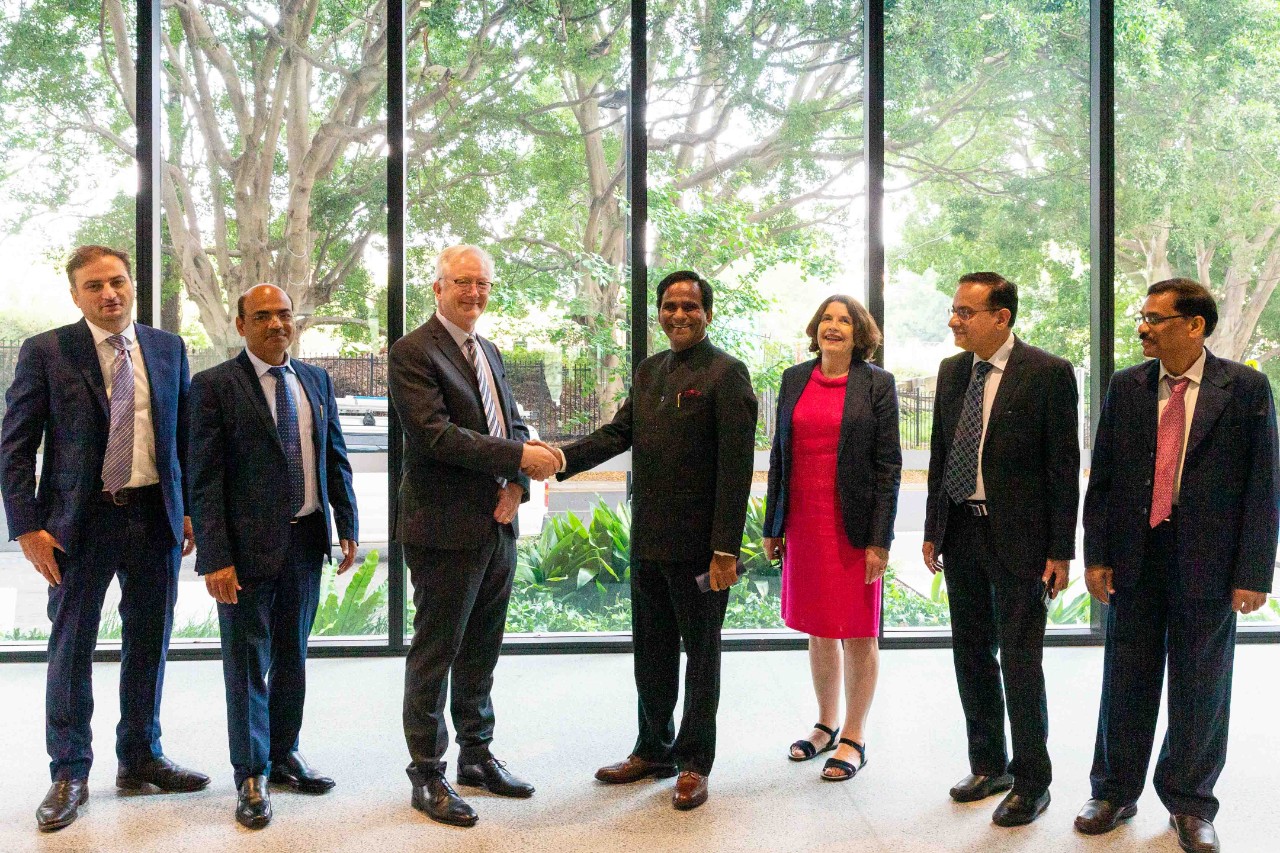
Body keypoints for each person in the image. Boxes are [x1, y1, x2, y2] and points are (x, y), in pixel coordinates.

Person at [0, 245, 208, 832]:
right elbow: (14, 445)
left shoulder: (167, 349)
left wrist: (188, 509)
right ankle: (69, 770)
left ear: (132, 285)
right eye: (94, 286)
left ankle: (140, 758)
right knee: (72, 648)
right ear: (76, 295)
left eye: (117, 282)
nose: (109, 294)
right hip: (77, 524)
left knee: (150, 641)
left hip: (153, 517)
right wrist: (27, 526)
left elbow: (183, 437)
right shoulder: (46, 351)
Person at [1075, 279, 1278, 853]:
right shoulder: (1127, 385)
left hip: (1210, 565)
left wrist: (1253, 572)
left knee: (1201, 686)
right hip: (1136, 559)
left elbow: (1264, 486)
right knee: (1126, 680)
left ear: (1195, 325)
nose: (1144, 327)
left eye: (1157, 318)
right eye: (1143, 317)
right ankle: (1113, 791)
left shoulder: (1245, 389)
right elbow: (1106, 480)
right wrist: (1098, 555)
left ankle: (1191, 803)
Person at [549, 270, 757, 811]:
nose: (679, 314)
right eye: (670, 306)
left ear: (707, 313)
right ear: (659, 313)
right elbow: (620, 434)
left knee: (702, 656)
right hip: (648, 541)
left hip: (701, 549)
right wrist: (561, 459)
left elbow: (736, 470)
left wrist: (725, 550)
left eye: (690, 306)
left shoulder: (728, 374)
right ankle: (653, 749)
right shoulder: (648, 372)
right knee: (652, 652)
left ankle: (693, 763)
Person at [389, 244, 559, 827]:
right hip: (442, 528)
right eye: (462, 282)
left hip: (497, 524)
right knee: (436, 651)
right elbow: (437, 435)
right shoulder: (412, 352)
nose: (474, 293)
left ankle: (477, 756)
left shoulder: (489, 350)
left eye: (482, 283)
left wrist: (517, 481)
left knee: (483, 650)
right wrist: (522, 455)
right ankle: (427, 773)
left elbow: (507, 421)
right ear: (437, 288)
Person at [187, 284, 359, 829]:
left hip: (307, 541)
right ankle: (252, 773)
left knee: (293, 657)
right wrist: (215, 556)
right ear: (241, 325)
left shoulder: (315, 380)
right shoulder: (213, 386)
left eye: (284, 314)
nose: (276, 324)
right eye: (262, 316)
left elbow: (335, 456)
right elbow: (205, 479)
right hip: (243, 553)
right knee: (246, 665)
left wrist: (347, 523)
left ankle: (284, 754)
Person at [922, 271, 1079, 827]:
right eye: (954, 310)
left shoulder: (1048, 373)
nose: (954, 320)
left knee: (1019, 659)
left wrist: (1062, 550)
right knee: (970, 653)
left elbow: (1063, 468)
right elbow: (943, 452)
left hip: (1022, 541)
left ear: (1002, 317)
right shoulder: (951, 371)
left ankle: (1033, 780)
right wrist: (932, 528)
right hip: (962, 530)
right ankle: (989, 764)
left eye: (965, 312)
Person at [762, 295, 901, 781]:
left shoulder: (877, 385)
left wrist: (879, 540)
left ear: (859, 333)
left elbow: (889, 467)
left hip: (855, 528)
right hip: (804, 522)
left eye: (844, 320)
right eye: (826, 318)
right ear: (815, 327)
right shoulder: (794, 378)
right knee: (819, 627)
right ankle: (826, 723)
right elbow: (780, 454)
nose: (833, 326)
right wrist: (772, 525)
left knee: (858, 630)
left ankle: (855, 735)